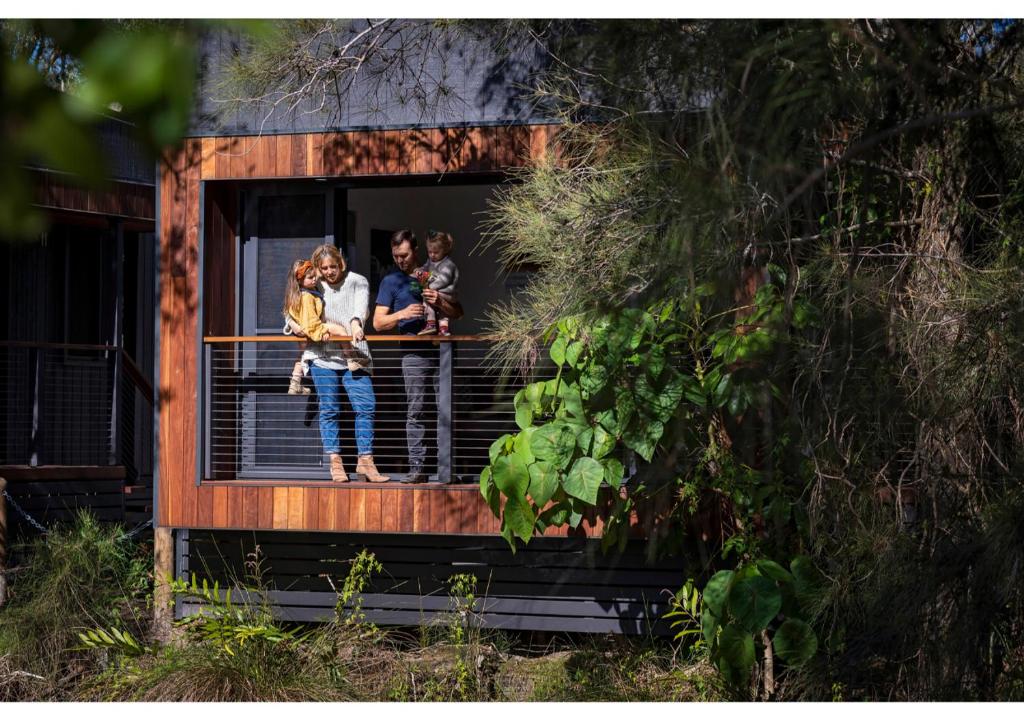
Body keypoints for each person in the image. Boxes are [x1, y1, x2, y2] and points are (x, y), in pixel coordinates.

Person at [287, 244, 389, 484]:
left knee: (366, 406)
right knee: (330, 409)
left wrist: (355, 324)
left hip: (355, 353)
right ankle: (336, 462)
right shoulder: (315, 282)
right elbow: (294, 304)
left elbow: (359, 308)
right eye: (324, 268)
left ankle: (365, 461)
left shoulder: (357, 281)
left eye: (333, 266)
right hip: (322, 356)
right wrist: (292, 325)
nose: (329, 272)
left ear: (341, 262)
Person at [373, 229, 464, 484]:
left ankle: (446, 471)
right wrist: (401, 315)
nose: (400, 260)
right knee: (416, 411)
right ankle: (418, 468)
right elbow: (378, 322)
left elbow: (458, 312)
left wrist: (439, 301)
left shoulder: (432, 273)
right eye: (395, 256)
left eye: (403, 255)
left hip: (442, 350)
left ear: (415, 251)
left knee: (445, 409)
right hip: (413, 353)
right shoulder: (390, 282)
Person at [282, 259, 326, 395]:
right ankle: (296, 384)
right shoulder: (305, 295)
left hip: (303, 330)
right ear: (299, 279)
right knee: (307, 355)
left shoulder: (300, 293)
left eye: (315, 277)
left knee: (301, 356)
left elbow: (287, 311)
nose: (314, 280)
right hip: (307, 331)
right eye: (310, 278)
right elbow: (289, 312)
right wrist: (293, 324)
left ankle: (295, 383)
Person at [415, 230, 460, 336]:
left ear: (444, 250)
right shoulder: (431, 261)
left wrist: (430, 286)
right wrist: (420, 270)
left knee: (428, 299)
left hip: (449, 293)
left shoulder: (448, 264)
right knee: (441, 309)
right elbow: (425, 267)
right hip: (440, 291)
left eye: (436, 252)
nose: (432, 255)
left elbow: (444, 280)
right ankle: (443, 329)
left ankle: (431, 323)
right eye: (429, 252)